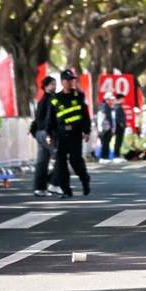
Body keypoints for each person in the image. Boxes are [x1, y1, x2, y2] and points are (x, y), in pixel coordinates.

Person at [46, 69, 91, 198]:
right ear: (62, 82)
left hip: (75, 134)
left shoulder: (78, 96)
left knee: (75, 161)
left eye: (72, 80)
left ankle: (84, 179)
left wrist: (86, 131)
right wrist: (49, 134)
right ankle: (66, 190)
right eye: (68, 80)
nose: (71, 82)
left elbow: (85, 115)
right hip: (60, 135)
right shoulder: (55, 99)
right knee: (61, 164)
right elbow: (51, 119)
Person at [33, 76, 57, 197]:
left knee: (42, 162)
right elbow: (49, 118)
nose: (54, 86)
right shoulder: (50, 99)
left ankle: (40, 188)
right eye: (52, 84)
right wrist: (48, 134)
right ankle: (49, 181)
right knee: (60, 159)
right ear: (46, 86)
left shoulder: (42, 100)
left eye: (55, 84)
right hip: (46, 133)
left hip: (40, 133)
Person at [97, 92, 115, 163]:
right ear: (106, 99)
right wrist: (101, 129)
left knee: (107, 143)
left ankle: (106, 157)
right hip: (104, 129)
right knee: (104, 144)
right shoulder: (104, 107)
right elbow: (101, 118)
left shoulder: (108, 107)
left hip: (108, 129)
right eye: (110, 99)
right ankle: (103, 157)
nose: (111, 101)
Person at [111, 93, 127, 163]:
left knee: (119, 141)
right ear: (120, 99)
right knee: (118, 141)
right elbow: (117, 118)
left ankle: (118, 155)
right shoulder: (117, 107)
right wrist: (121, 124)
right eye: (123, 99)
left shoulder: (119, 106)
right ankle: (116, 156)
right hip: (118, 127)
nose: (124, 100)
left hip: (120, 127)